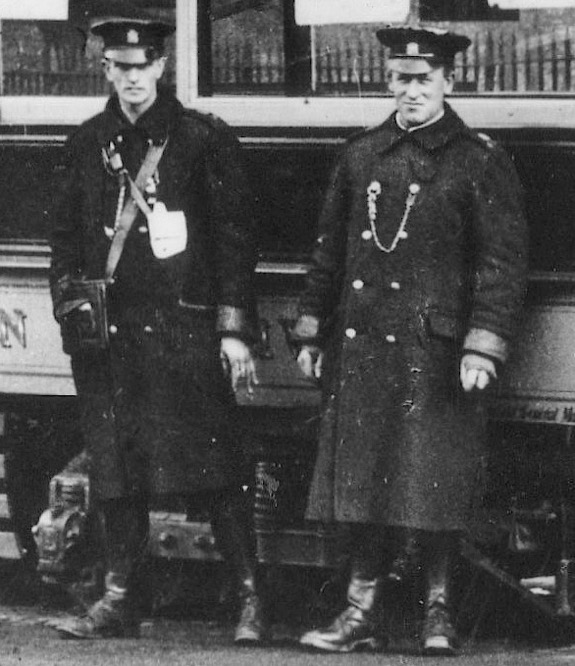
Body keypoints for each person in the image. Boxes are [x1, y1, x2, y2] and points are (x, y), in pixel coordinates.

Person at [290, 26, 528, 655]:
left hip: (437, 352)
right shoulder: (361, 156)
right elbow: (328, 254)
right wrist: (312, 330)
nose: (412, 91)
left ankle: (439, 615)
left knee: (435, 486)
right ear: (387, 81)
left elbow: (503, 265)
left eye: (425, 79)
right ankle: (358, 613)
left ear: (449, 81)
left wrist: (483, 345)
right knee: (364, 484)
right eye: (401, 78)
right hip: (365, 346)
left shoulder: (478, 160)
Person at [48, 3, 265, 643]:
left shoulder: (203, 139)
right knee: (115, 469)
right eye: (119, 67)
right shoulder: (86, 143)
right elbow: (62, 240)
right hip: (111, 338)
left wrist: (232, 328)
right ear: (106, 69)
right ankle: (120, 598)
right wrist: (72, 306)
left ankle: (251, 599)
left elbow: (234, 241)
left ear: (163, 66)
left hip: (183, 332)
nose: (132, 79)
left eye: (143, 67)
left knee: (217, 468)